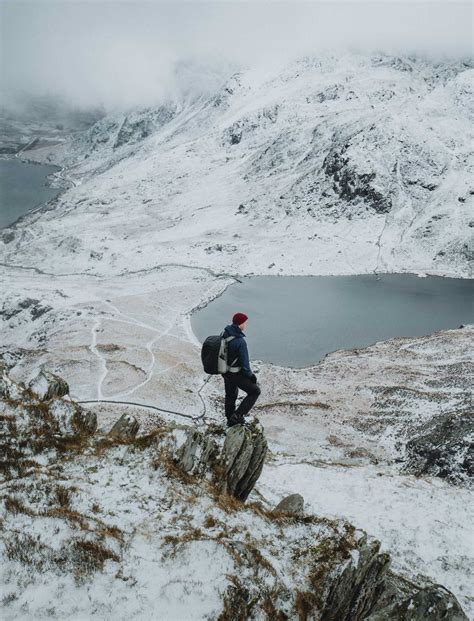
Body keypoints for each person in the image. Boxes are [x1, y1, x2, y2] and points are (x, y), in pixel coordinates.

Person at [222, 312, 261, 427]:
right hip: (236, 374)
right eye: (245, 323)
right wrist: (250, 376)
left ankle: (229, 419)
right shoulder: (240, 342)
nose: (246, 325)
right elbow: (244, 364)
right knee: (255, 391)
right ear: (240, 324)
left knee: (230, 395)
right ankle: (237, 416)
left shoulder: (225, 333)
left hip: (225, 372)